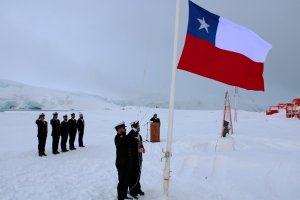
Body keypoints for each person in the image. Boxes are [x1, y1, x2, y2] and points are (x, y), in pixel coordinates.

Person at [114, 122, 132, 200]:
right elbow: (126, 140)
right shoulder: (118, 138)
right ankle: (120, 198)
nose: (125, 129)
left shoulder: (124, 136)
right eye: (123, 128)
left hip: (126, 162)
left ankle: (124, 195)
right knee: (122, 181)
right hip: (121, 163)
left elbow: (129, 141)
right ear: (119, 129)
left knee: (126, 180)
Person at [127, 121, 145, 198]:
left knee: (138, 174)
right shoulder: (130, 135)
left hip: (139, 159)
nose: (139, 127)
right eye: (138, 126)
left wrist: (142, 148)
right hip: (133, 159)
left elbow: (140, 144)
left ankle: (137, 189)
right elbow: (128, 148)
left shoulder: (138, 135)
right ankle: (132, 191)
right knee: (132, 175)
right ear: (135, 126)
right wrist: (137, 150)